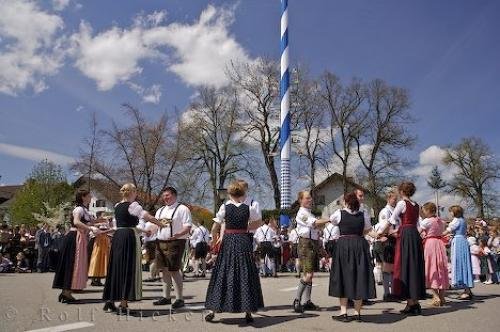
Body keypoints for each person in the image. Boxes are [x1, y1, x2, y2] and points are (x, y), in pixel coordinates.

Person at [204, 180, 263, 323]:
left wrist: (215, 239)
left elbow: (214, 227)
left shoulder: (224, 207)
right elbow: (259, 222)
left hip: (229, 241)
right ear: (243, 193)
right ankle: (248, 311)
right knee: (245, 272)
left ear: (230, 193)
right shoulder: (249, 208)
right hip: (243, 240)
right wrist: (246, 228)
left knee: (223, 271)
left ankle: (213, 309)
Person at [102, 183, 161, 314]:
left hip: (118, 236)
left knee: (115, 267)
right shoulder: (133, 206)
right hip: (129, 237)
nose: (137, 194)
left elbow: (119, 225)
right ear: (133, 192)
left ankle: (110, 300)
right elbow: (148, 217)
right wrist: (161, 223)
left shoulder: (117, 206)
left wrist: (144, 231)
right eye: (136, 191)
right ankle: (123, 304)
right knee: (128, 267)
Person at [378, 182, 425, 315]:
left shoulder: (402, 204)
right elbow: (421, 222)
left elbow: (391, 220)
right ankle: (415, 302)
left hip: (405, 235)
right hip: (415, 235)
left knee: (405, 266)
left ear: (402, 192)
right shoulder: (416, 205)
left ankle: (411, 303)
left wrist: (381, 232)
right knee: (414, 266)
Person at [329, 193, 377, 322]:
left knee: (343, 276)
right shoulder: (363, 214)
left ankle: (343, 312)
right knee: (359, 276)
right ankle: (357, 312)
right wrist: (377, 235)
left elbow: (331, 221)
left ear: (345, 202)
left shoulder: (339, 213)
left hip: (344, 245)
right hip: (359, 245)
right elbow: (368, 230)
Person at [52, 189, 104, 303]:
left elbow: (86, 222)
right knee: (72, 264)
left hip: (80, 238)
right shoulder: (79, 209)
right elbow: (76, 222)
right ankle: (66, 293)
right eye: (89, 196)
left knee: (76, 264)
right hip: (75, 238)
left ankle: (66, 292)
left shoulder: (85, 210)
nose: (91, 197)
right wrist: (91, 228)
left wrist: (98, 222)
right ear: (83, 197)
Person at [152, 187, 192, 308]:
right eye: (164, 196)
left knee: (174, 270)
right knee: (163, 270)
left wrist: (178, 234)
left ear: (174, 195)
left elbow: (188, 226)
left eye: (168, 195)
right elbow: (156, 226)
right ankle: (166, 297)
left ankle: (180, 298)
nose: (165, 198)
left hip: (175, 242)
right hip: (160, 242)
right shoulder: (160, 210)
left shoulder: (183, 209)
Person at [292, 191, 329, 313]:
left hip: (312, 243)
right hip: (305, 244)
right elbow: (314, 223)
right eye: (307, 198)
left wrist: (321, 249)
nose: (310, 200)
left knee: (310, 274)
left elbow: (315, 232)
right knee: (308, 274)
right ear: (300, 200)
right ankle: (297, 300)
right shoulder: (302, 213)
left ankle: (307, 301)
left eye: (310, 198)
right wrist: (329, 219)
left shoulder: (309, 213)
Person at [419, 202, 449, 306]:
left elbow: (419, 231)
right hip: (440, 243)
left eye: (423, 210)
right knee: (441, 268)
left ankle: (436, 297)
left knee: (431, 268)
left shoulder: (426, 221)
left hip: (430, 244)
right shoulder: (440, 221)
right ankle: (442, 297)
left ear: (427, 210)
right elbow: (442, 232)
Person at [442, 205, 474, 299]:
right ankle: (467, 289)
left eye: (451, 211)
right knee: (464, 264)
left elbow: (448, 230)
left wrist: (438, 234)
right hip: (463, 240)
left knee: (459, 263)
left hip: (459, 242)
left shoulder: (456, 220)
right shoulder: (463, 220)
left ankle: (467, 291)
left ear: (455, 212)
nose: (450, 213)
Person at [376, 191, 397, 301]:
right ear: (388, 199)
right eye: (394, 199)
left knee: (393, 267)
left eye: (396, 199)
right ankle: (386, 293)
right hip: (388, 239)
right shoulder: (385, 211)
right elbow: (385, 226)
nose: (396, 200)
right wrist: (396, 232)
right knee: (387, 267)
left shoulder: (394, 210)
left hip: (394, 239)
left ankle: (393, 292)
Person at [88, 213, 112, 287]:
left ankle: (99, 279)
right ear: (99, 216)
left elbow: (110, 231)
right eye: (102, 215)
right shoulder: (95, 224)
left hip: (104, 242)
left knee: (103, 260)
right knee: (96, 259)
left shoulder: (106, 223)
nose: (104, 217)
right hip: (98, 241)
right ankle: (93, 278)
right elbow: (93, 232)